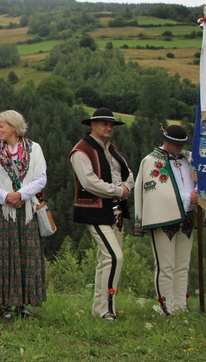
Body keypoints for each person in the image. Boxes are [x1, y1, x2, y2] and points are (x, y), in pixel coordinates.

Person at [0, 110, 47, 319]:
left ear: (14, 127)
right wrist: (6, 197)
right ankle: (6, 304)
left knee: (28, 255)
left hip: (26, 212)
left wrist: (20, 194)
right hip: (2, 213)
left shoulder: (34, 150)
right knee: (4, 256)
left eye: (2, 126)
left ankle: (24, 303)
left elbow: (40, 179)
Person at [69, 108, 134, 321]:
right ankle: (107, 309)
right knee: (115, 256)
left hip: (115, 211)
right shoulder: (81, 151)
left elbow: (128, 173)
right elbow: (89, 182)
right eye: (104, 123)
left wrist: (126, 187)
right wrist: (118, 191)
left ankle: (101, 308)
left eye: (111, 124)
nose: (108, 127)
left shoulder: (112, 149)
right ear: (93, 125)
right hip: (95, 210)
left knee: (106, 259)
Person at [134, 124, 197, 315]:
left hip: (188, 217)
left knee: (183, 264)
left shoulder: (189, 159)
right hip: (163, 219)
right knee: (166, 264)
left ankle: (180, 305)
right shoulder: (151, 161)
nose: (179, 147)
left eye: (181, 144)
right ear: (166, 140)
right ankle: (166, 306)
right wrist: (188, 199)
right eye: (175, 143)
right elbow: (155, 192)